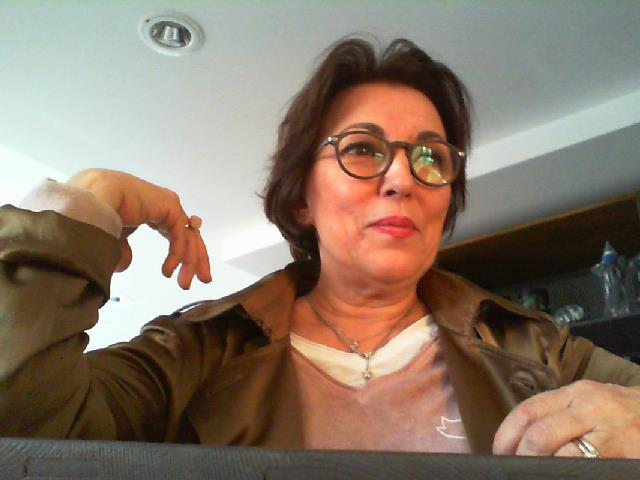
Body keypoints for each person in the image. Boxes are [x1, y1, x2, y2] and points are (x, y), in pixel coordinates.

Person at [1, 38, 639, 458]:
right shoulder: (194, 351)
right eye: (362, 148)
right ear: (302, 197)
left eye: (430, 157)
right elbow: (24, 427)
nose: (403, 178)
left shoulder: (537, 346)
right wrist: (82, 206)